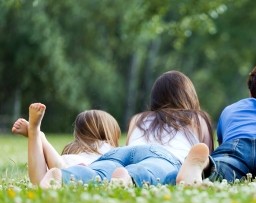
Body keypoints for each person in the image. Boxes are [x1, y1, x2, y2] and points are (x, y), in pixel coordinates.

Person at [39, 70, 214, 188]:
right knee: (150, 170)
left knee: (100, 171)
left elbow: (130, 145)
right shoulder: (197, 118)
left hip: (125, 152)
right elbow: (204, 156)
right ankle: (128, 178)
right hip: (165, 157)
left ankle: (64, 176)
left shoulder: (139, 118)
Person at [11, 103, 121, 185]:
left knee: (41, 180)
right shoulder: (109, 148)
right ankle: (38, 134)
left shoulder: (72, 148)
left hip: (66, 162)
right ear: (110, 131)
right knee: (62, 171)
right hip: (84, 170)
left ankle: (36, 134)